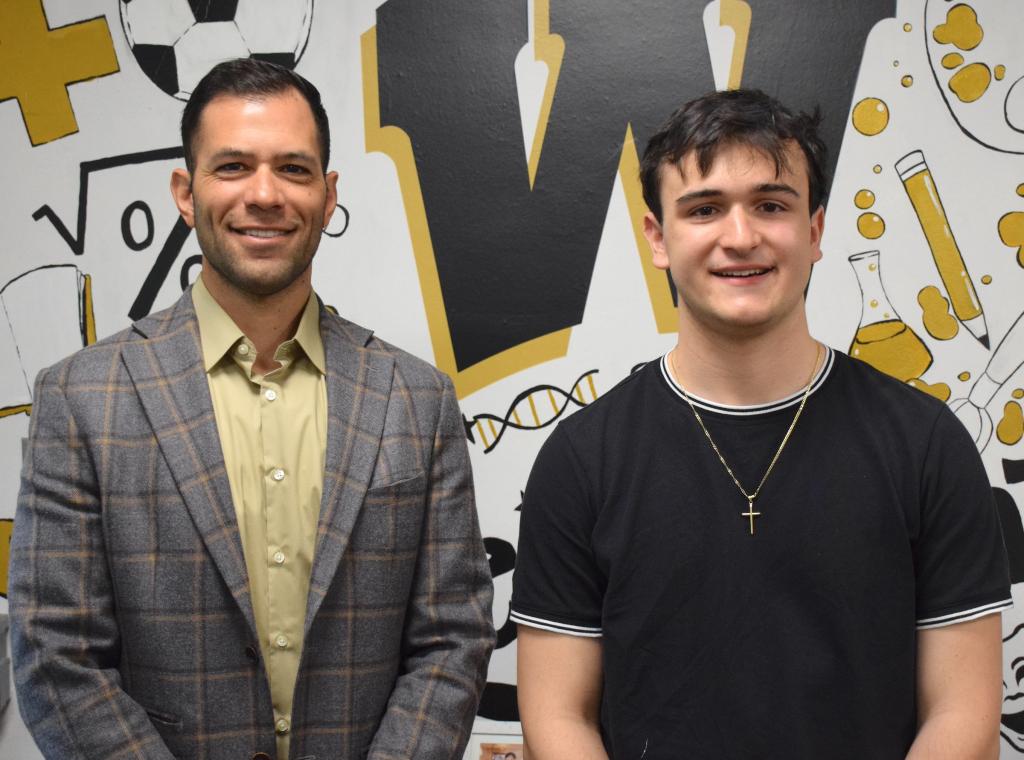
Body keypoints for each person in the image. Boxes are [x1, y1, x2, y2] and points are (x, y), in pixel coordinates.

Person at [10, 58, 494, 760]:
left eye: (293, 169)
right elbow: (57, 655)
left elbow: (453, 639)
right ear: (186, 193)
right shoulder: (81, 398)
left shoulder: (416, 399)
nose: (264, 195)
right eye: (233, 167)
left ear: (328, 195)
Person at [511, 89, 1011, 759]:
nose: (741, 237)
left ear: (814, 231)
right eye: (704, 209)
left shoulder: (926, 444)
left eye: (771, 205)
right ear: (657, 238)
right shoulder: (581, 459)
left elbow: (963, 712)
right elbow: (556, 716)